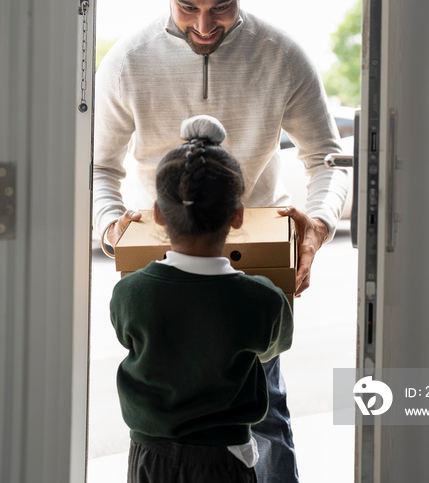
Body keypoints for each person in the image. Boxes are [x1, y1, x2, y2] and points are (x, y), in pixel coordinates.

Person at [94, 0, 348, 482]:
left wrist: (320, 225)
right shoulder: (127, 61)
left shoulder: (281, 55)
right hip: (160, 266)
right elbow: (99, 169)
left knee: (268, 418)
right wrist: (113, 226)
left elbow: (326, 160)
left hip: (250, 267)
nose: (204, 24)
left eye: (222, 6)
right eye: (188, 6)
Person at [110, 115, 294, 483]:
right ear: (238, 216)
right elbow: (273, 348)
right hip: (223, 460)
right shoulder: (262, 300)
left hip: (149, 457)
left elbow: (129, 338)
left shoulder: (130, 294)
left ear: (159, 214)